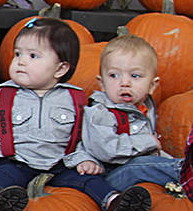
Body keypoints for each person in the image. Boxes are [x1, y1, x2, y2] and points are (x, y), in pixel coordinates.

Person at [0, 17, 152, 211]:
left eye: (32, 56)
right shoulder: (4, 96)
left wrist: (86, 159)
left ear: (60, 68)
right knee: (1, 178)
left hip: (61, 164)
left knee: (90, 181)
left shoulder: (75, 99)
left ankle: (115, 204)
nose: (20, 62)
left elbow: (84, 136)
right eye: (17, 54)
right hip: (19, 161)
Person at [76, 34, 185, 194]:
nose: (124, 83)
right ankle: (184, 172)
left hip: (133, 168)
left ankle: (182, 172)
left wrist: (165, 159)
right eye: (114, 75)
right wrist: (148, 142)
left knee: (152, 167)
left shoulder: (143, 109)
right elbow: (106, 150)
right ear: (102, 84)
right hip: (107, 177)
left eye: (135, 76)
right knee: (140, 168)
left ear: (152, 86)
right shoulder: (100, 112)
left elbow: (152, 154)